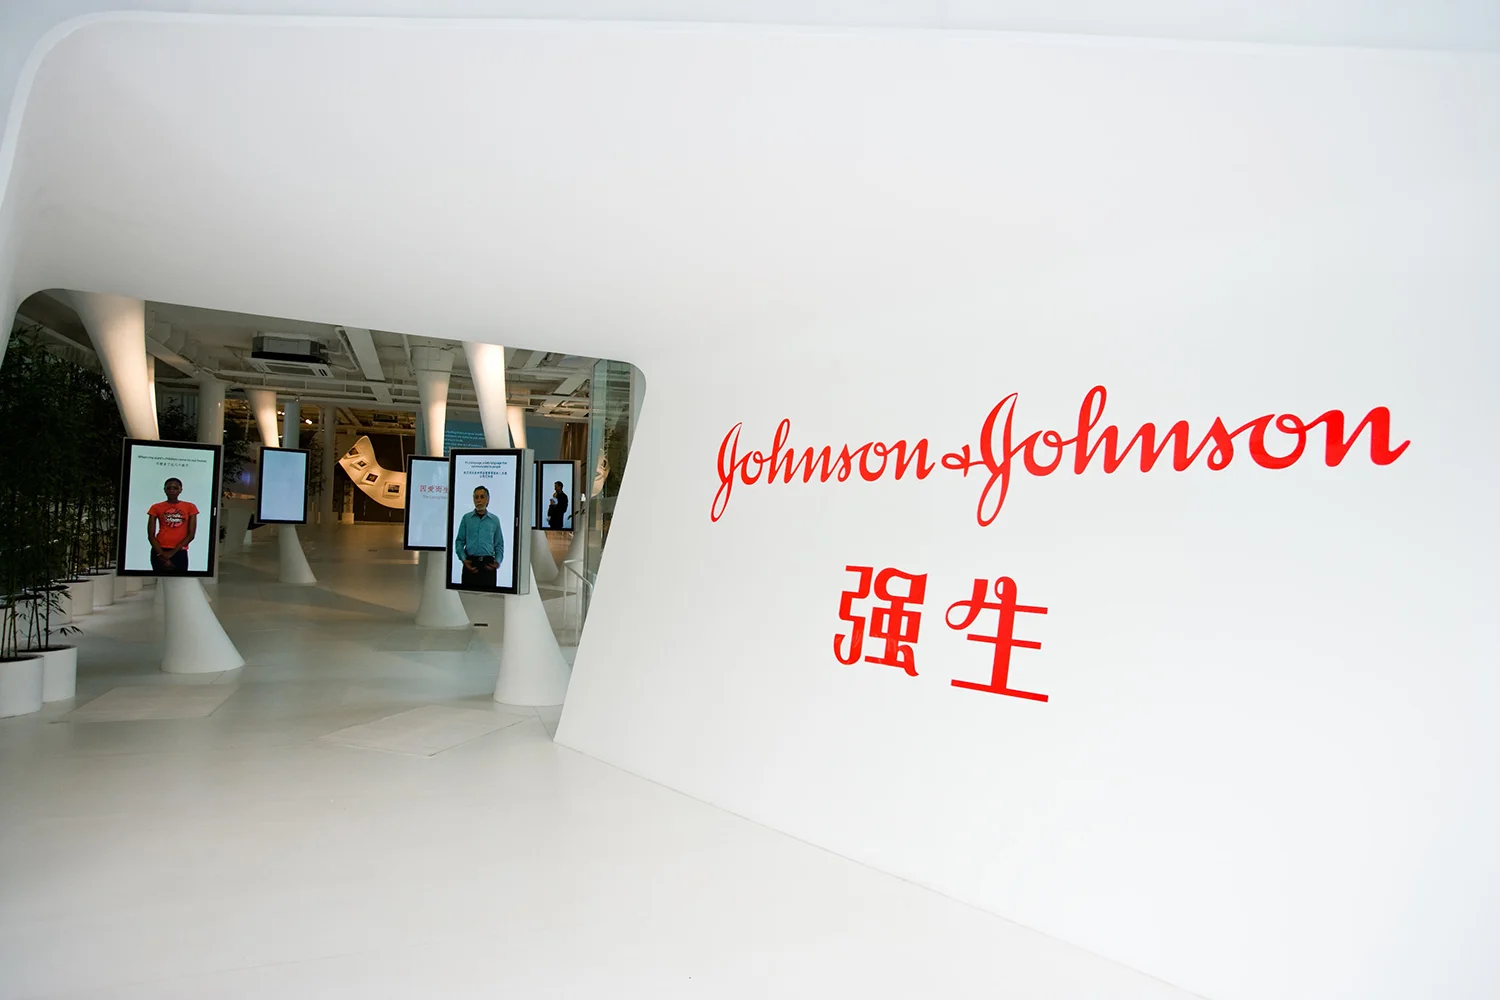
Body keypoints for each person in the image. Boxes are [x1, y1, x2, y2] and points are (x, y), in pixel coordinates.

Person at [454, 485, 503, 587]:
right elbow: (459, 541)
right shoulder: (466, 518)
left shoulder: (494, 520)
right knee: (468, 595)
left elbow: (499, 544)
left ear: (487, 499)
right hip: (471, 563)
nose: (479, 500)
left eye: (482, 497)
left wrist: (497, 561)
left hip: (488, 564)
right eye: (476, 497)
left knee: (489, 596)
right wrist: (463, 559)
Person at [146, 477, 198, 573]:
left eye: (175, 488)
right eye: (169, 488)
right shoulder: (156, 507)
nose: (172, 491)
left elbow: (191, 534)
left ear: (180, 490)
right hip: (159, 550)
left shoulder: (190, 507)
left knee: (180, 580)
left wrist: (171, 553)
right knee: (159, 579)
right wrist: (161, 554)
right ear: (164, 489)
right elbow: (151, 535)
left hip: (180, 551)